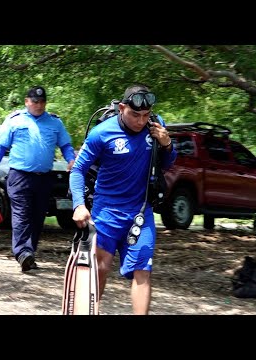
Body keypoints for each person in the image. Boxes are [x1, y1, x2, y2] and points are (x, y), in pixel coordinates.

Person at [69, 84, 177, 314]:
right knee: (101, 267)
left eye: (146, 115)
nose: (141, 121)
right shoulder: (101, 133)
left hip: (140, 212)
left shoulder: (155, 128)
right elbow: (78, 170)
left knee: (143, 270)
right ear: (121, 108)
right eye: (135, 114)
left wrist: (167, 143)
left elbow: (167, 164)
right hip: (106, 212)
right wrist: (79, 204)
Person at [0, 86, 76, 272]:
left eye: (42, 102)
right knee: (21, 214)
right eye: (35, 101)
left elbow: (65, 145)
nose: (39, 105)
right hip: (19, 176)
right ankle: (22, 252)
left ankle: (29, 253)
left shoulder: (55, 122)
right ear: (27, 101)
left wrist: (71, 159)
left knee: (37, 216)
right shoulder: (14, 120)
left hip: (44, 178)